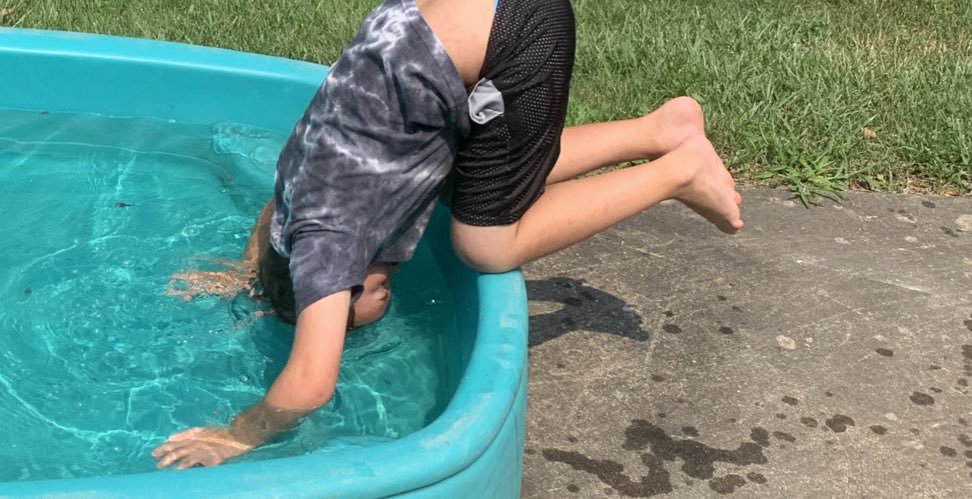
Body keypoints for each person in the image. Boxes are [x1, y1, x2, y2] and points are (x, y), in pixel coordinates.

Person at [152, 0, 742, 470]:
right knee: (469, 186)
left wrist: (238, 435)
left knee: (485, 243)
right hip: (424, 28)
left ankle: (678, 171)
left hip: (517, 27)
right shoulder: (300, 192)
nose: (383, 307)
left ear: (344, 290)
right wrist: (245, 274)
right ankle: (658, 129)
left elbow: (308, 385)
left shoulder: (331, 247)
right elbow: (268, 219)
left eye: (364, 312)